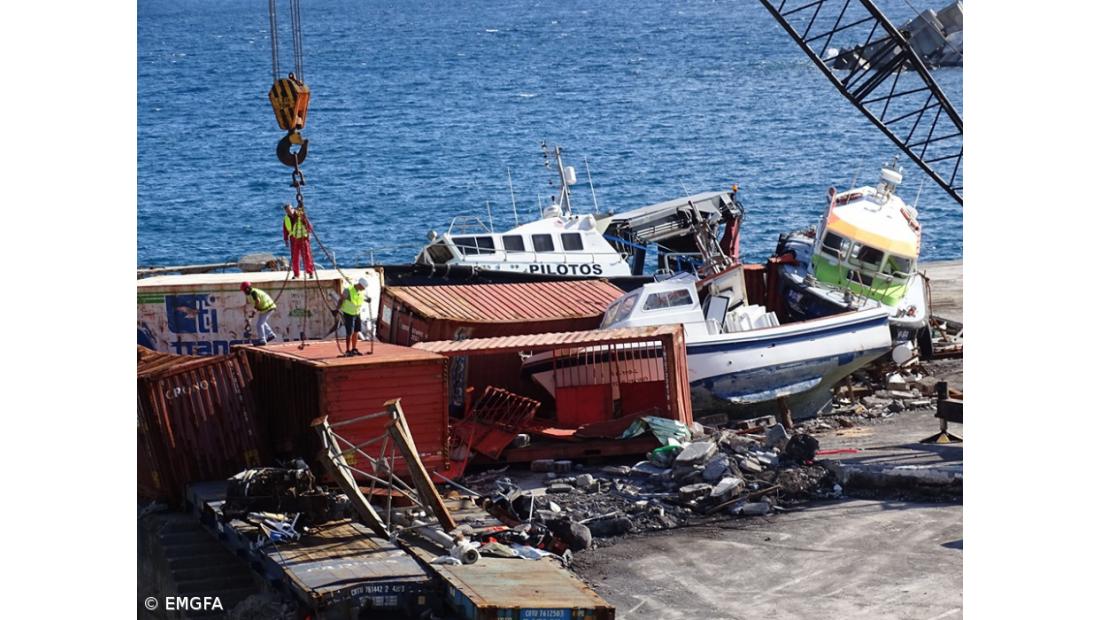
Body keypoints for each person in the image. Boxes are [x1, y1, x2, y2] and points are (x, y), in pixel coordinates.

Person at [337, 277, 370, 356]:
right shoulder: (348, 290)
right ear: (359, 285)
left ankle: (354, 349)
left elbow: (361, 297)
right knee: (349, 332)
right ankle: (347, 350)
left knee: (356, 331)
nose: (363, 289)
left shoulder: (360, 291)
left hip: (357, 313)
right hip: (348, 313)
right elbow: (341, 300)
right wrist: (337, 309)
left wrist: (367, 299)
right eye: (363, 287)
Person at [283, 203, 315, 279]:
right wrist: (286, 240)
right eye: (287, 211)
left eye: (290, 209)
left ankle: (310, 272)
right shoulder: (286, 219)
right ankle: (296, 274)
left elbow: (308, 224)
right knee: (295, 258)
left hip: (303, 238)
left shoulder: (300, 214)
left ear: (292, 208)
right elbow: (285, 230)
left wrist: (309, 233)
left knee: (307, 256)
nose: (289, 212)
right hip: (294, 239)